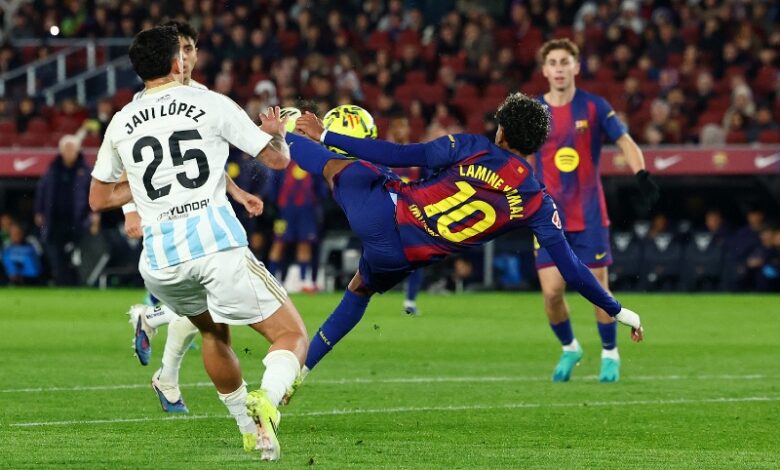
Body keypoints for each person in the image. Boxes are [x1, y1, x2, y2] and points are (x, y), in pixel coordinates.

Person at [282, 92, 644, 404]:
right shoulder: (537, 201)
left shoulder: (474, 147)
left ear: (501, 131)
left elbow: (399, 153)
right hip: (406, 257)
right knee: (360, 289)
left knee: (334, 165)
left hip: (386, 215)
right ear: (536, 146)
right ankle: (302, 369)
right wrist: (618, 310)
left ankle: (273, 130)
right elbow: (573, 269)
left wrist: (324, 134)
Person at [88, 26, 307, 461]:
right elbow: (277, 159)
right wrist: (276, 131)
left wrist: (149, 189)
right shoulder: (209, 102)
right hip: (215, 247)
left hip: (161, 262)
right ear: (177, 63)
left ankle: (249, 431)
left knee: (211, 331)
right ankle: (267, 402)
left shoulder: (121, 121)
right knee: (291, 334)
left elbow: (98, 199)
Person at [120, 21, 264, 416]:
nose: (183, 58)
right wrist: (129, 209)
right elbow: (127, 165)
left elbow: (203, 163)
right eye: (177, 50)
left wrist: (237, 192)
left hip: (204, 220)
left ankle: (164, 366)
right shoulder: (145, 101)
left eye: (189, 49)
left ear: (196, 54)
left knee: (208, 307)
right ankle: (157, 334)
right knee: (212, 306)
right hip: (168, 220)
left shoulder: (202, 98)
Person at [533, 38, 659, 383]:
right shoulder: (534, 111)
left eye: (565, 62)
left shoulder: (594, 106)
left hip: (589, 214)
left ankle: (609, 353)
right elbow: (517, 152)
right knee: (551, 293)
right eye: (553, 63)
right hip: (548, 216)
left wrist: (642, 174)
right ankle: (570, 347)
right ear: (545, 71)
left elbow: (625, 141)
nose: (559, 68)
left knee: (598, 291)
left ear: (576, 67)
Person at [34, 134, 94, 285]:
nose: (69, 152)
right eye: (66, 149)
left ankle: (79, 281)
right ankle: (61, 280)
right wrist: (39, 211)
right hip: (56, 219)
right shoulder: (52, 170)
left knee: (78, 253)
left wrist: (94, 213)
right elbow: (42, 191)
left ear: (78, 150)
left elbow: (93, 194)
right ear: (61, 151)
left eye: (71, 148)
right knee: (56, 251)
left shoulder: (86, 171)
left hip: (78, 219)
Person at [265, 159, 326, 292]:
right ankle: (271, 280)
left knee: (304, 244)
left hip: (306, 212)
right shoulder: (283, 161)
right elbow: (273, 188)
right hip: (283, 212)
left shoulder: (311, 163)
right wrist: (275, 205)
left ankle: (303, 281)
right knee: (278, 243)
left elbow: (321, 189)